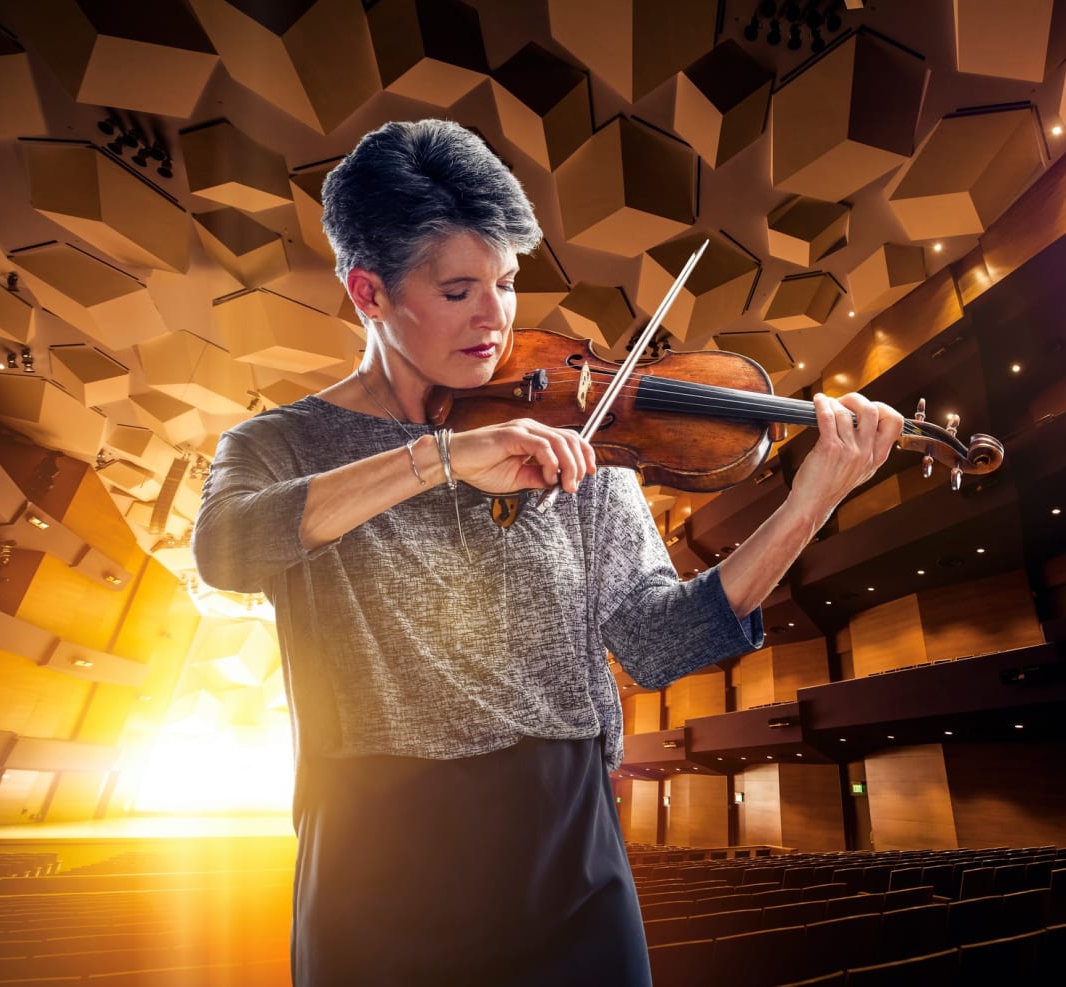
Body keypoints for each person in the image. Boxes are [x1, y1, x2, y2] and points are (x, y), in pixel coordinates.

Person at [192, 118, 904, 986]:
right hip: (374, 851)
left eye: (506, 283)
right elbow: (228, 548)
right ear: (367, 293)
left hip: (570, 841)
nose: (494, 319)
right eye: (457, 291)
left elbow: (657, 640)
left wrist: (811, 500)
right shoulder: (284, 443)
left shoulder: (576, 425)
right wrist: (441, 459)